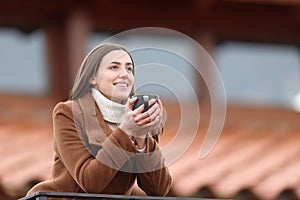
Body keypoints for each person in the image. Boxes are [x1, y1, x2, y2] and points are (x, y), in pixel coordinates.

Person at [26, 43, 172, 196]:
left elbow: (158, 190)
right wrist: (126, 131)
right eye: (114, 67)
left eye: (129, 68)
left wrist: (141, 138)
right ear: (92, 78)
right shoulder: (69, 113)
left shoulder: (138, 119)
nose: (124, 74)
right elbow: (90, 182)